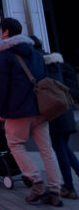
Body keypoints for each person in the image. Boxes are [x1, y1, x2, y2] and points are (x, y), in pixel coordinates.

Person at [0, 18, 62, 206]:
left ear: (6, 32)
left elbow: (1, 87)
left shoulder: (6, 56)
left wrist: (0, 111)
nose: (0, 33)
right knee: (46, 149)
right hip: (40, 109)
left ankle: (36, 182)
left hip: (18, 110)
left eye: (1, 30)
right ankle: (55, 189)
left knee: (15, 144)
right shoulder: (36, 53)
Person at [35, 39, 79, 200]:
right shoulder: (60, 65)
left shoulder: (39, 66)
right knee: (65, 148)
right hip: (66, 110)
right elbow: (73, 87)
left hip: (53, 113)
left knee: (60, 150)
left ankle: (68, 187)